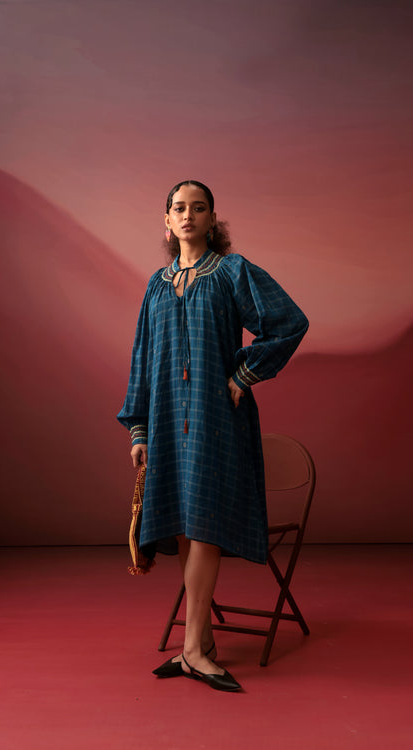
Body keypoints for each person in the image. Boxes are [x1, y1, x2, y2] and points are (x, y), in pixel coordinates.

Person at [117, 180, 308, 692]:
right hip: (165, 421)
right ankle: (201, 643)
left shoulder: (232, 272)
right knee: (185, 524)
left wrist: (244, 374)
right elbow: (143, 357)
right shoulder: (156, 285)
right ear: (167, 221)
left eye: (198, 208)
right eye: (178, 208)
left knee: (203, 524)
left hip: (215, 417)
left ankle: (194, 651)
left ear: (212, 219)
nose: (188, 215)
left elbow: (288, 323)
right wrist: (139, 427)